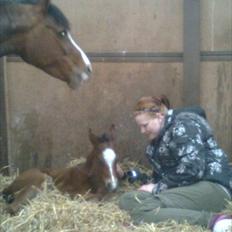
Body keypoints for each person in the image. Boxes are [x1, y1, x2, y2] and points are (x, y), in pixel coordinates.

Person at [119, 95, 232, 231]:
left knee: (142, 211)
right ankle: (164, 213)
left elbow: (193, 170)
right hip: (187, 188)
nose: (142, 131)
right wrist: (126, 175)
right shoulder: (155, 143)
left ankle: (217, 221)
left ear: (159, 116)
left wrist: (157, 188)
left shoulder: (183, 125)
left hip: (212, 186)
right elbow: (160, 179)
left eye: (145, 125)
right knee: (128, 199)